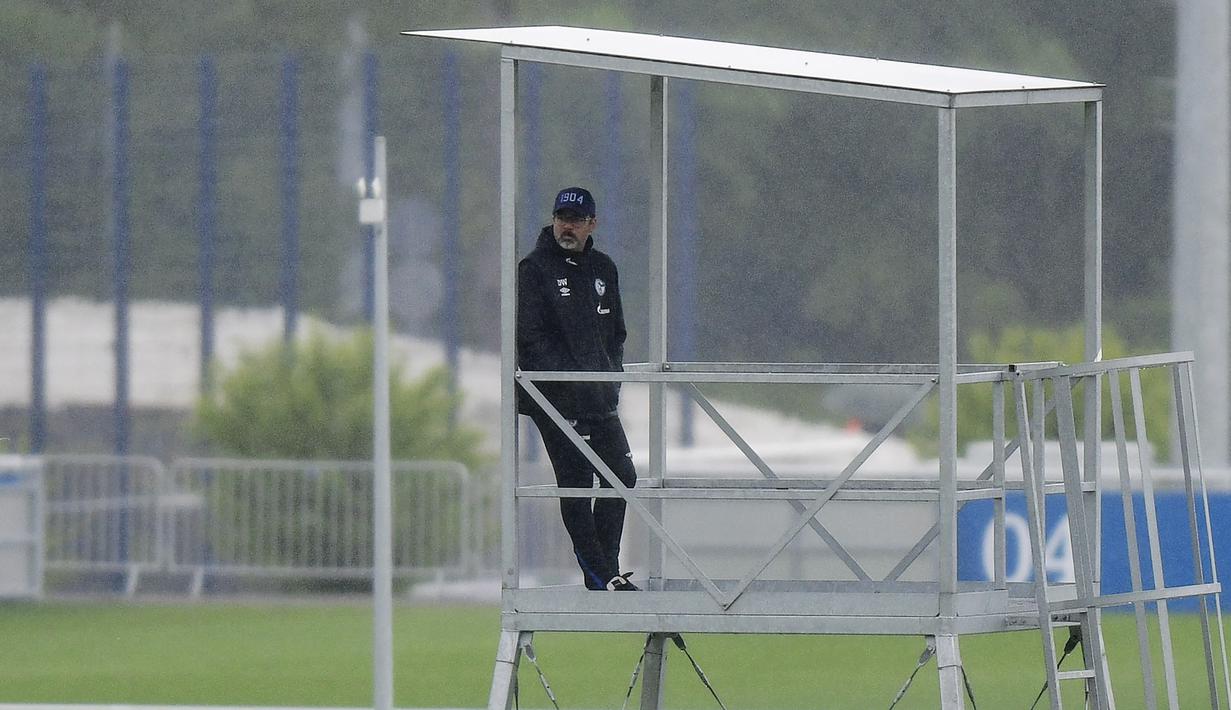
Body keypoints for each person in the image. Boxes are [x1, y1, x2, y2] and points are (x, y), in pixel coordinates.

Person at [516, 186, 639, 591]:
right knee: (577, 482)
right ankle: (601, 575)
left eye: (576, 220)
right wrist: (565, 384)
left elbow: (616, 333)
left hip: (599, 398)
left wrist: (610, 378)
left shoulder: (604, 268)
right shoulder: (534, 269)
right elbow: (530, 339)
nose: (567, 226)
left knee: (622, 475)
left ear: (591, 224)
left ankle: (607, 570)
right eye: (561, 218)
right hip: (554, 401)